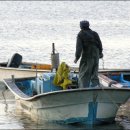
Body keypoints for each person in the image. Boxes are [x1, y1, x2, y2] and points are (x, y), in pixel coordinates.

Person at [74, 20, 103, 88]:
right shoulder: (95, 33)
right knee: (94, 73)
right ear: (88, 25)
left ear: (80, 26)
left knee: (84, 74)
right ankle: (95, 88)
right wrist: (100, 53)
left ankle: (83, 90)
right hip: (96, 56)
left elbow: (79, 48)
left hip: (87, 56)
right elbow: (100, 44)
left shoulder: (80, 34)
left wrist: (76, 58)